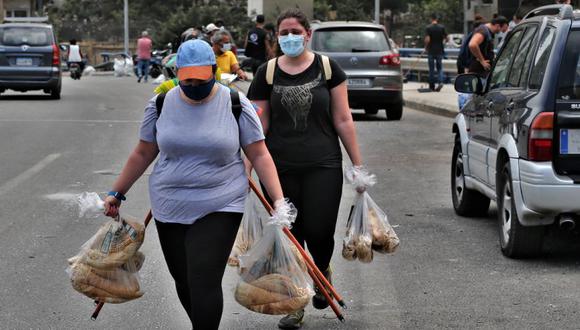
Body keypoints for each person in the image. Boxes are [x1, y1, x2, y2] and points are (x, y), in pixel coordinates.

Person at [103, 39, 290, 329]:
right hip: (169, 204)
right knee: (184, 279)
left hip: (221, 201)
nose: (193, 86)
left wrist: (278, 201)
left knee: (204, 276)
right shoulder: (161, 104)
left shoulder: (234, 103)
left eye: (200, 79)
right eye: (186, 79)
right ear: (176, 73)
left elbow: (259, 154)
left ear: (214, 71)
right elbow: (143, 152)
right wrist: (117, 192)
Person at [247, 8, 365, 330]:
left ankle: (322, 269)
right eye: (283, 33)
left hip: (323, 164)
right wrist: (245, 166)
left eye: (294, 32)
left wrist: (357, 166)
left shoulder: (329, 69)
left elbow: (343, 119)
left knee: (319, 231)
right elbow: (258, 123)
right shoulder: (266, 73)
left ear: (308, 34)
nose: (289, 38)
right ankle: (295, 304)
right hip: (278, 167)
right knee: (290, 236)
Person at [424, 14, 447, 91]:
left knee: (431, 69)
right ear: (436, 19)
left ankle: (432, 86)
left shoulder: (428, 28)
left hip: (431, 50)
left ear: (431, 19)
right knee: (439, 68)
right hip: (439, 50)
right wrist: (442, 43)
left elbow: (428, 39)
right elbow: (446, 38)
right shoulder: (442, 28)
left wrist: (426, 47)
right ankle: (440, 82)